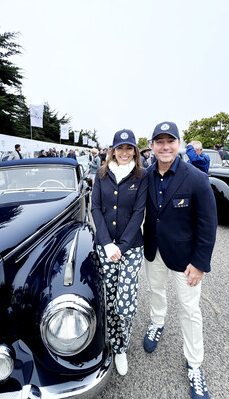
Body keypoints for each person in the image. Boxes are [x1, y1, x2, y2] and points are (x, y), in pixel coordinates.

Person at [142, 121, 217, 399]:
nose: (164, 146)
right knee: (155, 291)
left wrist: (200, 263)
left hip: (186, 260)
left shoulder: (196, 178)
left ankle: (195, 365)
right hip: (154, 252)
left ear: (178, 144)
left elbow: (208, 225)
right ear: (151, 146)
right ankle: (157, 322)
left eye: (169, 141)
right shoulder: (145, 176)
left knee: (190, 310)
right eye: (159, 141)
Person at [91, 129, 148, 376]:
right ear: (112, 150)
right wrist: (106, 243)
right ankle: (111, 342)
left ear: (134, 150)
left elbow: (139, 213)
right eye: (120, 148)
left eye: (129, 148)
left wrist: (121, 246)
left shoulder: (142, 175)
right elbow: (95, 209)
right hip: (105, 247)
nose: (124, 153)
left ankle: (121, 347)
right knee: (108, 296)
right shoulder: (101, 174)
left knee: (124, 302)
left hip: (131, 248)